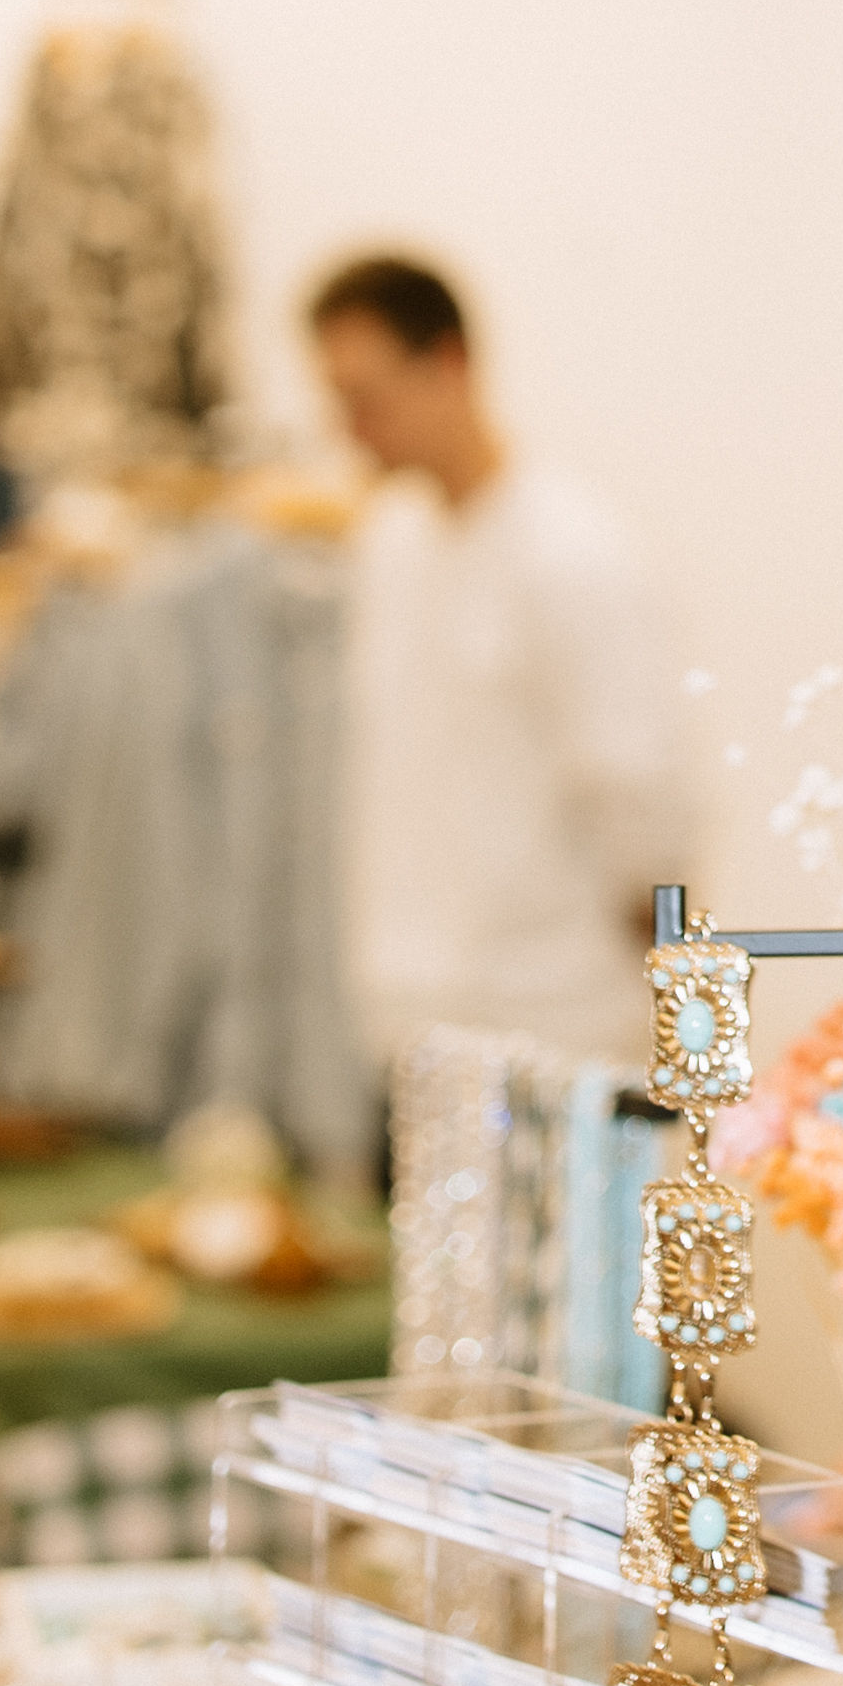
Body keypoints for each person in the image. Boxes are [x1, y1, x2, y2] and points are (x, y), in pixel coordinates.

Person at [310, 254, 687, 1072]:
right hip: (412, 1016)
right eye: (338, 402)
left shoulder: (572, 554)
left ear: (448, 363)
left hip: (553, 1025)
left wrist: (665, 986)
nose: (353, 429)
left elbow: (645, 803)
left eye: (366, 398)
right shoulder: (389, 544)